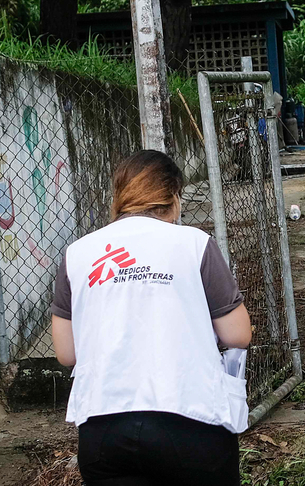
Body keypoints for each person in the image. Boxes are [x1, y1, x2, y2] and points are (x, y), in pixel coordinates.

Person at [50, 150, 252, 485]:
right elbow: (237, 335)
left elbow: (66, 353)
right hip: (190, 417)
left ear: (120, 196)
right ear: (173, 197)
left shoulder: (78, 253)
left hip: (103, 428)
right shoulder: (194, 244)